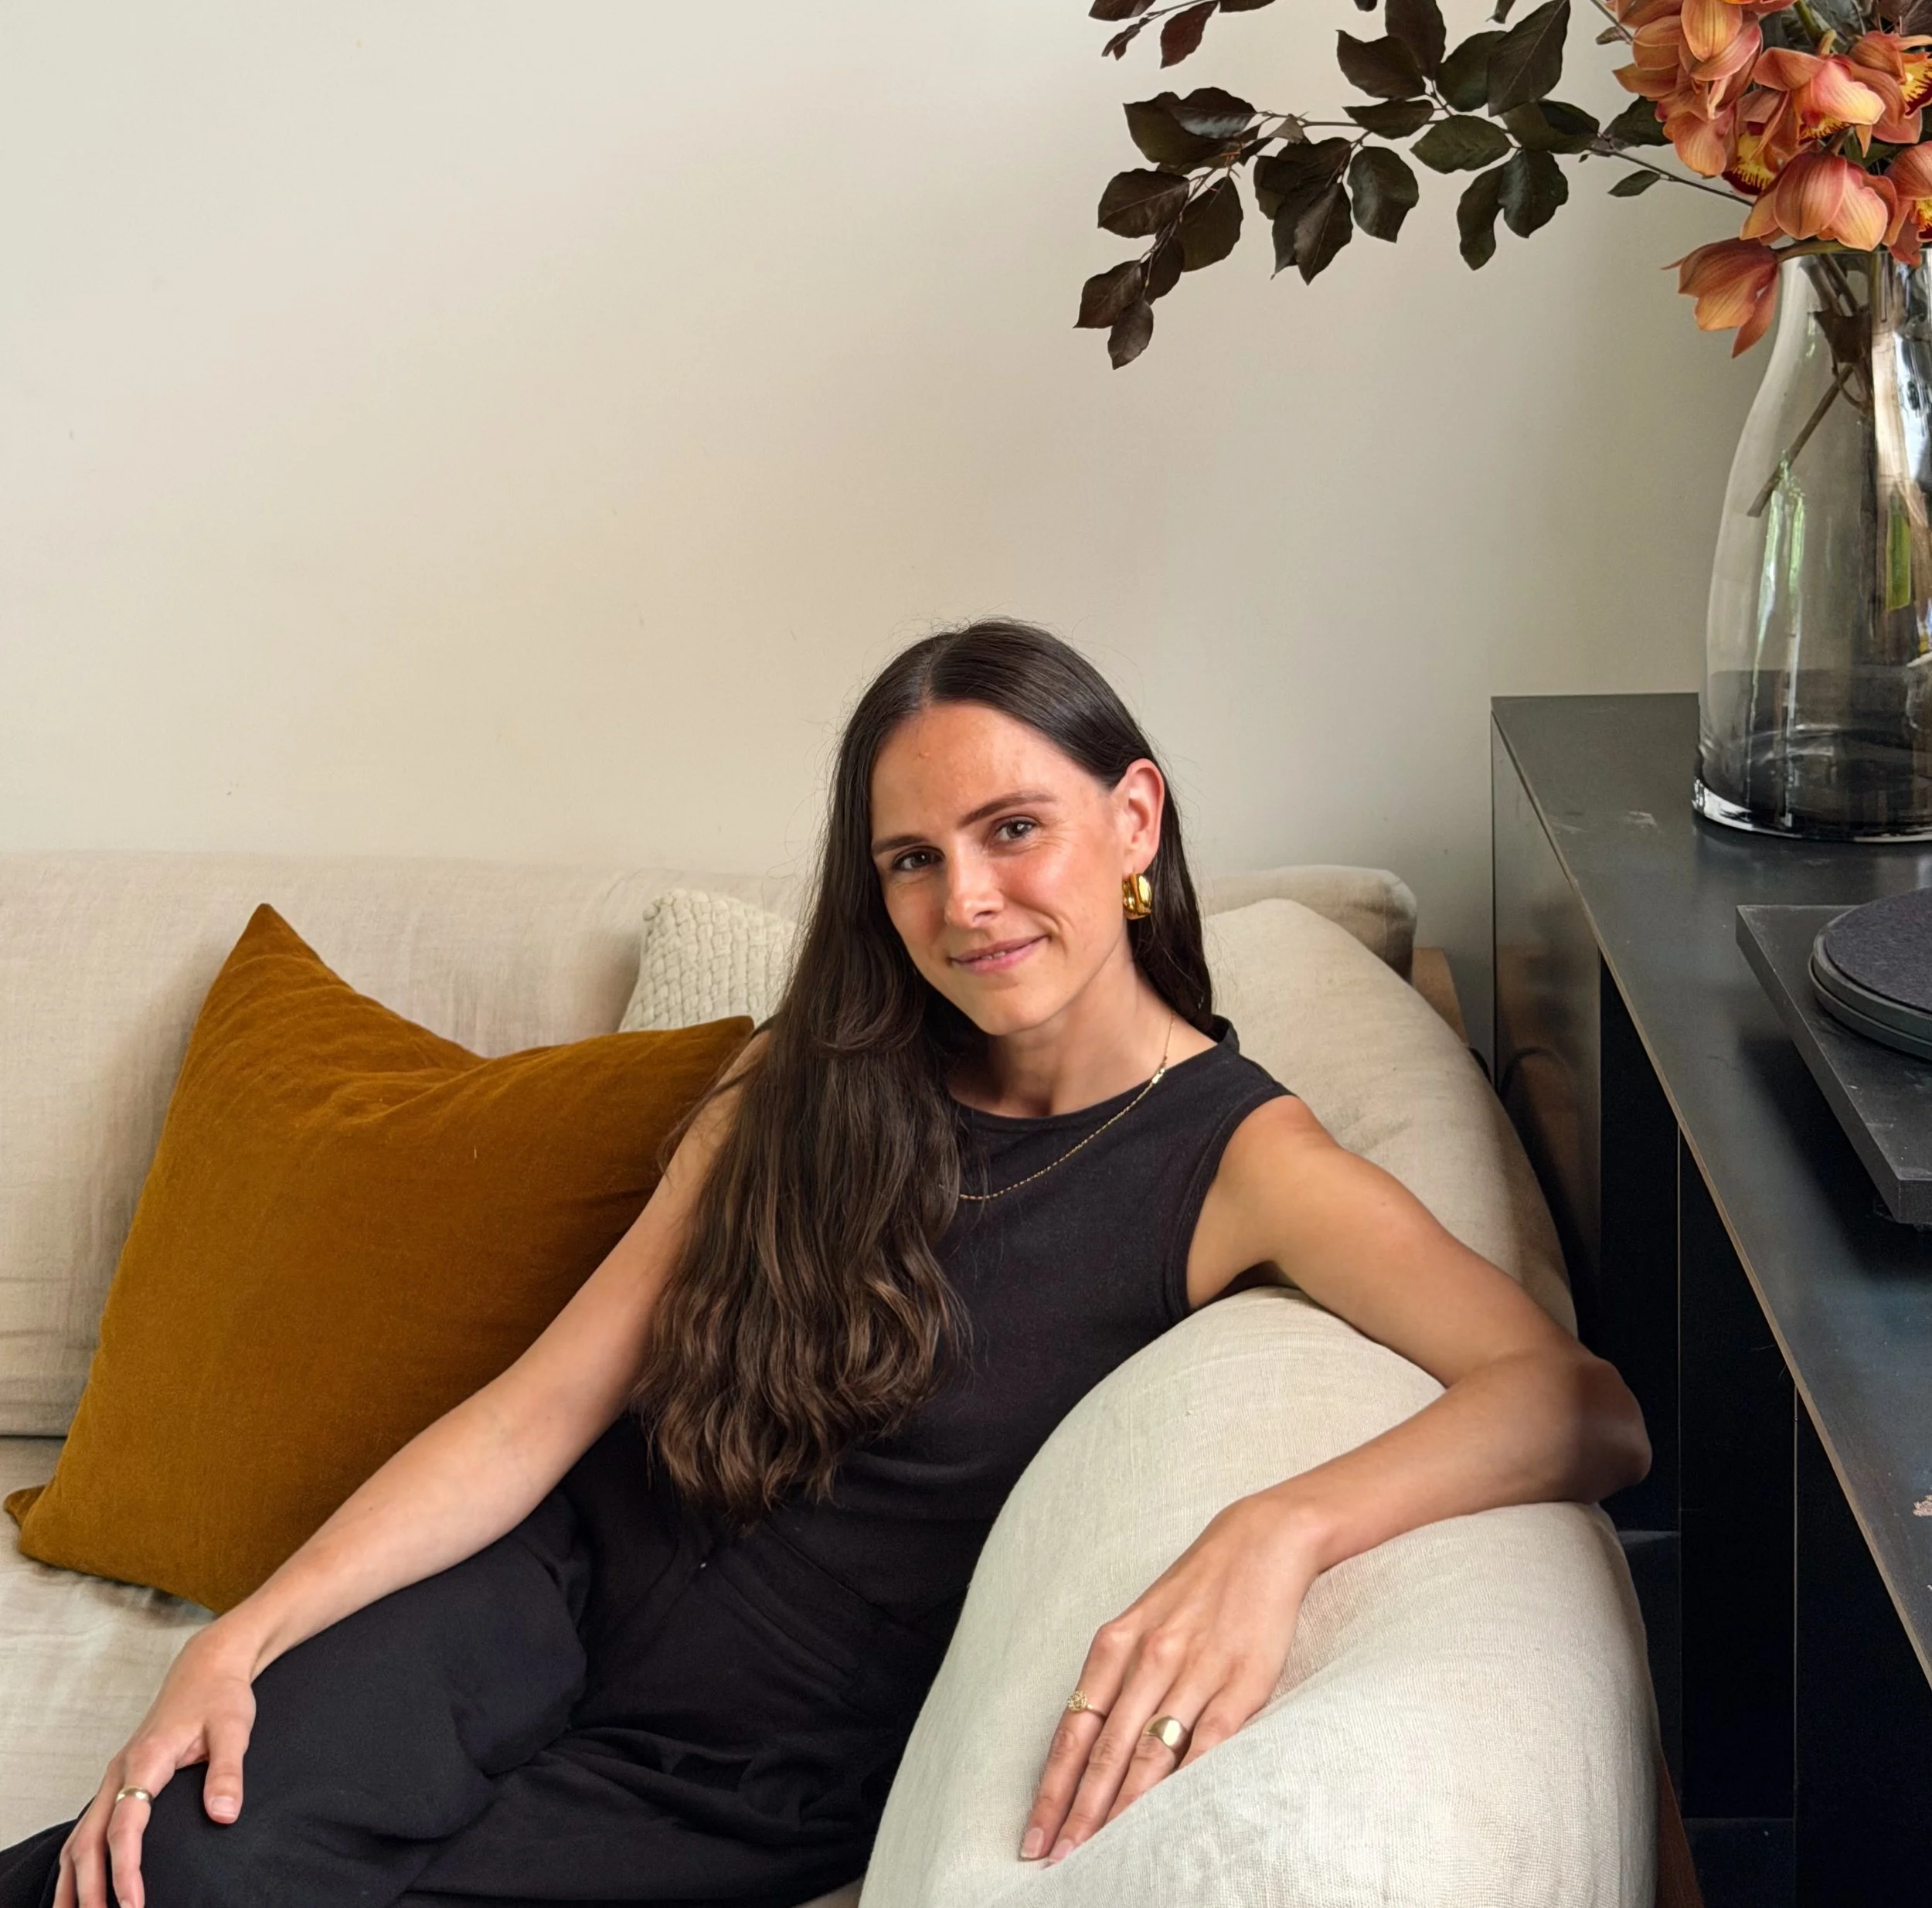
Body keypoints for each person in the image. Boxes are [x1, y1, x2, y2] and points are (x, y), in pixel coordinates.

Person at [1, 619, 1648, 1908]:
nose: (968, 900)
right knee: (168, 1861)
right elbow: (537, 1413)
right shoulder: (816, 1074)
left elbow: (1576, 1408)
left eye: (1014, 829)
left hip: (747, 1770)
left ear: (1131, 814)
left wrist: (1277, 1527)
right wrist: (246, 1633)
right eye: (912, 858)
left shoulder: (1241, 1161)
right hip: (533, 1598)